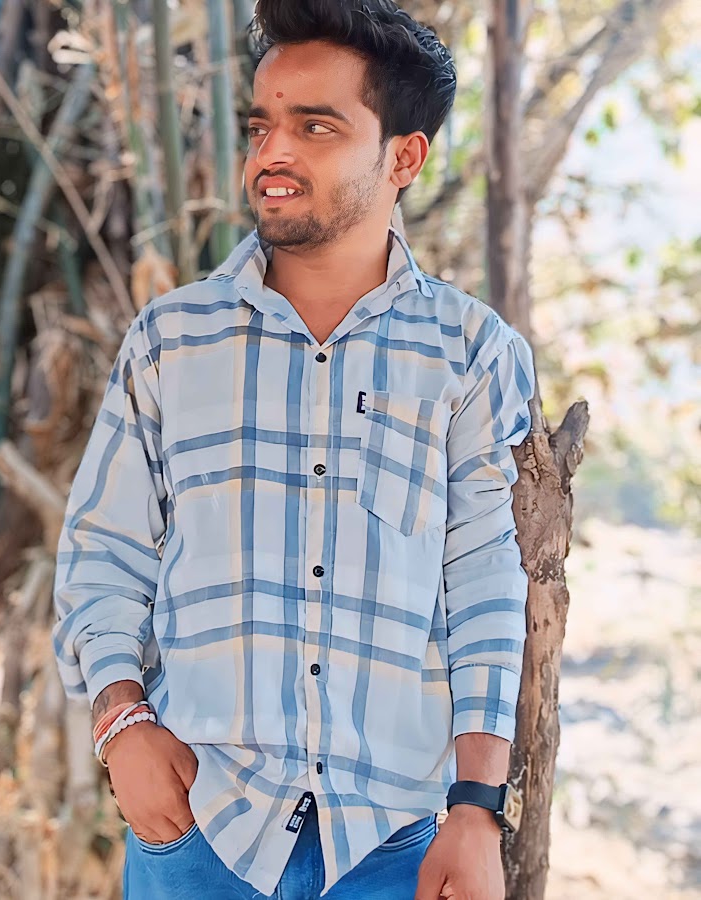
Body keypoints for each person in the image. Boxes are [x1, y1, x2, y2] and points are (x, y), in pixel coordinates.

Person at [53, 1, 536, 897]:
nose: (271, 153)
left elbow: (482, 581)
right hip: (200, 829)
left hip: (395, 844)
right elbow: (102, 552)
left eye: (316, 127)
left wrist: (476, 807)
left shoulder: (471, 353)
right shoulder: (171, 340)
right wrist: (123, 728)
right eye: (260, 127)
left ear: (404, 158)